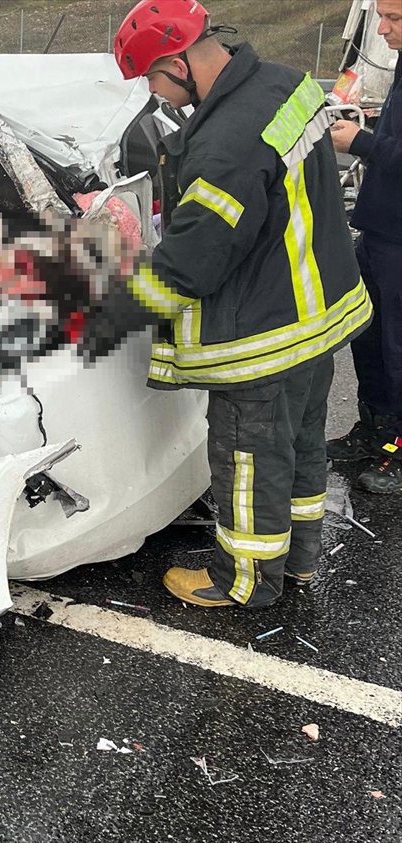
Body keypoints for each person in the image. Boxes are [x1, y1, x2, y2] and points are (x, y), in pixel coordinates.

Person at [90, 0, 373, 607]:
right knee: (298, 447)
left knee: (248, 459)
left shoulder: (225, 143)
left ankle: (243, 583)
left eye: (153, 80)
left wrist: (112, 311)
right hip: (315, 314)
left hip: (265, 331)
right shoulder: (286, 84)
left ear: (177, 62)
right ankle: (298, 560)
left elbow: (195, 260)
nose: (157, 96)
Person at [327, 0, 402, 495]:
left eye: (394, 17)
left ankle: (398, 449)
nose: (381, 28)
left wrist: (361, 142)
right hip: (379, 229)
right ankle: (376, 429)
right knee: (368, 336)